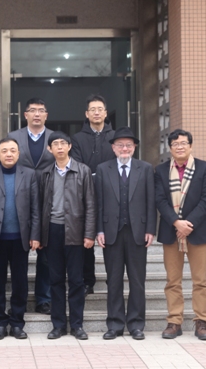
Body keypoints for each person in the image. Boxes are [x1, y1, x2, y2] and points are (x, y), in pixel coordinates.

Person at [95, 127, 156, 341]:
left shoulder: (145, 168)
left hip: (137, 231)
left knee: (137, 280)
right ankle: (115, 324)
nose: (124, 148)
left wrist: (150, 229)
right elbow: (98, 202)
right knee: (113, 280)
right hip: (111, 231)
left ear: (134, 147)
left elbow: (151, 201)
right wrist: (99, 229)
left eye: (128, 145)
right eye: (120, 145)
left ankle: (136, 324)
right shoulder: (103, 169)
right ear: (113, 148)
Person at [155, 129, 206, 341]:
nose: (179, 147)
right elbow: (159, 199)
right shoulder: (160, 170)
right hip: (171, 232)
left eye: (183, 143)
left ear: (190, 145)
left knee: (201, 281)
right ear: (170, 148)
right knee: (173, 280)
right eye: (175, 144)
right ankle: (174, 321)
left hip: (198, 231)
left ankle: (202, 322)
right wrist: (176, 222)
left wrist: (188, 224)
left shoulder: (204, 168)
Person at [0, 138, 41, 340]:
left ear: (18, 153)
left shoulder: (29, 174)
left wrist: (35, 235)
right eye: (4, 150)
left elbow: (35, 208)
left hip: (21, 238)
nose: (8, 154)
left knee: (20, 283)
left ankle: (17, 323)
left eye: (13, 150)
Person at [39, 131, 95, 340]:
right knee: (55, 280)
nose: (60, 147)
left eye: (63, 143)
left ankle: (77, 325)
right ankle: (58, 325)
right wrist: (40, 235)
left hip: (76, 231)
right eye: (56, 144)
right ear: (49, 149)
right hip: (52, 230)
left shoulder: (83, 171)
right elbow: (40, 206)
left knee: (76, 280)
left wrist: (89, 234)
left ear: (70, 146)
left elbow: (91, 204)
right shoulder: (45, 173)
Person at [7, 97, 54, 315]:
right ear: (25, 115)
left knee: (45, 256)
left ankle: (44, 299)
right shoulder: (13, 137)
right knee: (19, 255)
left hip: (48, 200)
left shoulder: (55, 138)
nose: (37, 114)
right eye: (33, 110)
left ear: (46, 115)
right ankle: (20, 299)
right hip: (19, 200)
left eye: (41, 110)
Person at [71, 94, 115, 295]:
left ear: (105, 113)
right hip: (84, 195)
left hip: (112, 195)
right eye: (93, 110)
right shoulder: (77, 139)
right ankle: (87, 280)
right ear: (86, 114)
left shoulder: (115, 137)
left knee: (112, 239)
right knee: (86, 238)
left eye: (100, 109)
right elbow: (77, 166)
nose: (96, 113)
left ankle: (113, 278)